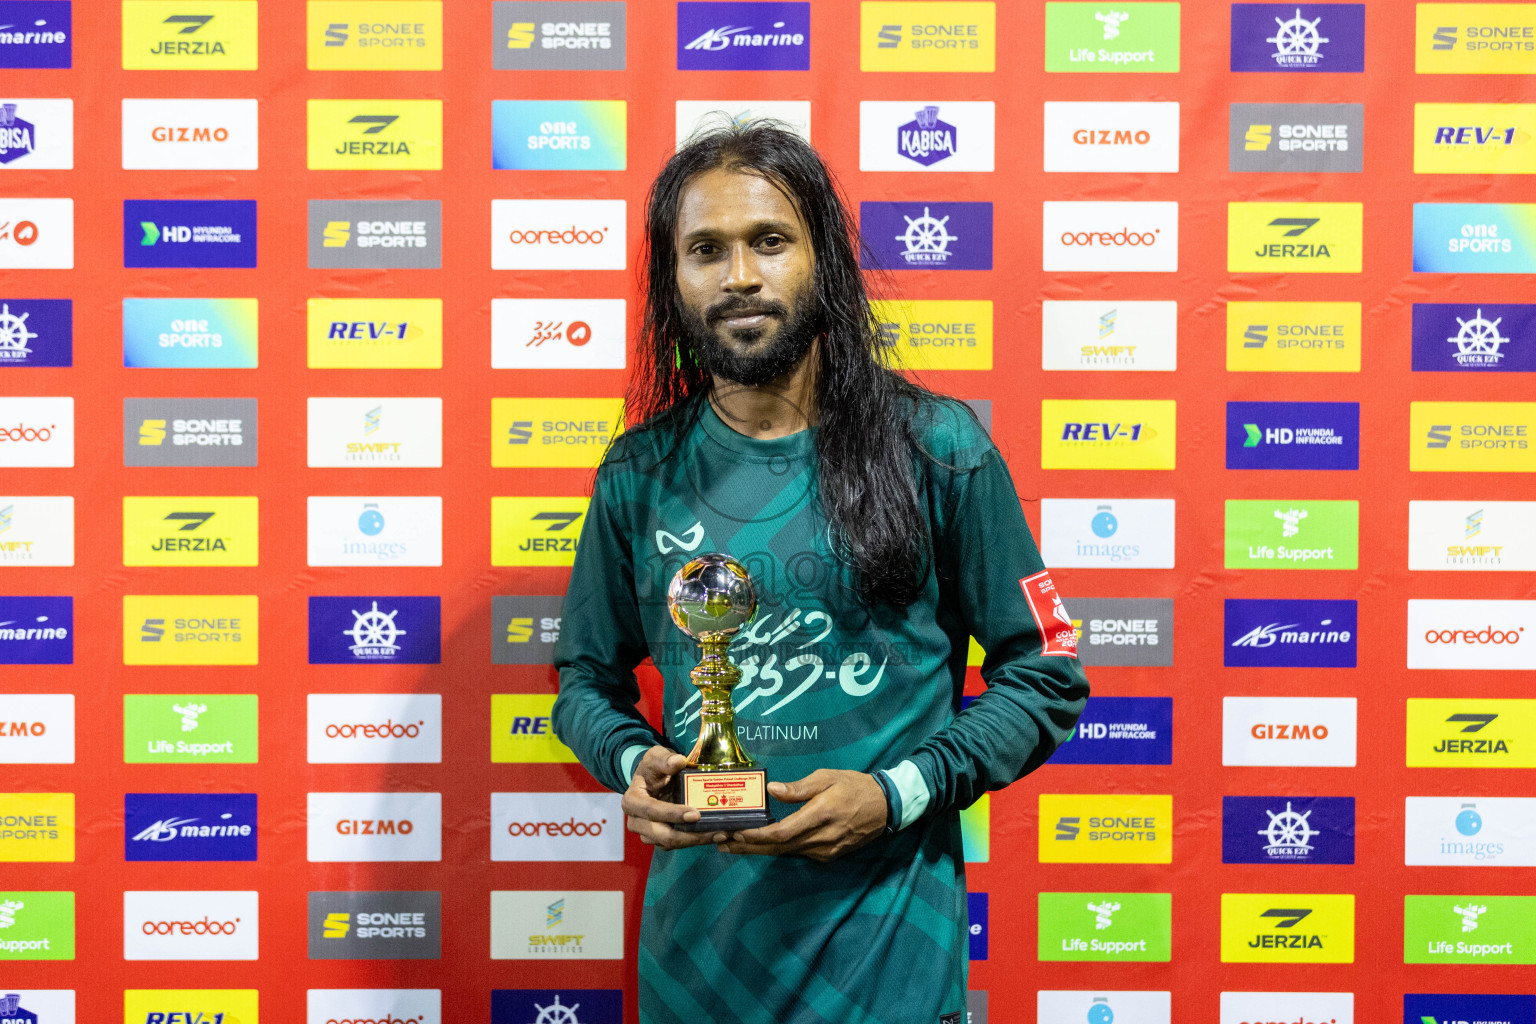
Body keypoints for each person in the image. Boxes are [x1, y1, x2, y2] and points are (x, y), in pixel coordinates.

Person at [551, 120, 1089, 1024]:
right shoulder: (639, 473)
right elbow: (582, 679)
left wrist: (894, 794)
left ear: (822, 261)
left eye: (769, 241)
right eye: (705, 250)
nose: (740, 277)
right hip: (696, 981)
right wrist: (633, 760)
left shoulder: (939, 448)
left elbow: (1045, 673)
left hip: (891, 978)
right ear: (670, 280)